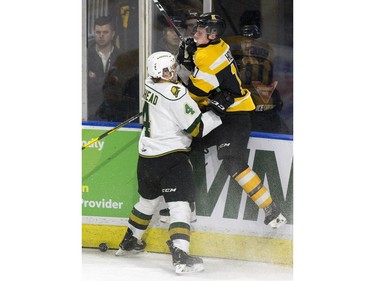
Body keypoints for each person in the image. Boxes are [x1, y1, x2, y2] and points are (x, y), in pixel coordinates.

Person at [115, 51, 223, 274]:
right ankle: (180, 255)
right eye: (167, 70)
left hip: (147, 157)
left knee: (147, 202)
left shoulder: (149, 84)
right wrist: (216, 113)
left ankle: (129, 241)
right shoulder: (176, 93)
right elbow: (196, 129)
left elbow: (169, 103)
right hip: (172, 158)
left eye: (173, 68)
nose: (172, 72)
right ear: (157, 71)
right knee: (180, 207)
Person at [182, 13, 287, 228]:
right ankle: (187, 207)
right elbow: (211, 75)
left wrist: (187, 63)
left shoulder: (208, 56)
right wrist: (193, 55)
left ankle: (272, 210)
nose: (195, 33)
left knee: (233, 163)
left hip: (234, 116)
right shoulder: (218, 46)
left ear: (212, 35)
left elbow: (194, 94)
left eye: (199, 31)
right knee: (183, 148)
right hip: (219, 112)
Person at [226, 11, 291, 134]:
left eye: (253, 40)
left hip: (265, 113)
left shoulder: (266, 58)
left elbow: (268, 83)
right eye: (246, 40)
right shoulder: (231, 57)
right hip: (243, 112)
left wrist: (273, 96)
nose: (250, 44)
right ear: (241, 40)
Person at [87, 15, 121, 120]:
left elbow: (120, 88)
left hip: (116, 114)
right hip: (90, 113)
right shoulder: (85, 56)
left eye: (105, 32)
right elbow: (87, 87)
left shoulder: (121, 57)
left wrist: (96, 79)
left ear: (113, 34)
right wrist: (110, 80)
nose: (101, 35)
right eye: (98, 32)